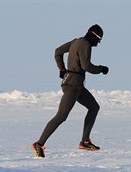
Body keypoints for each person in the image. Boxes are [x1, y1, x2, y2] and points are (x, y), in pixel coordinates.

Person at [31, 24, 109, 158]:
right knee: (61, 116)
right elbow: (87, 66)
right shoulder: (85, 45)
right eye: (99, 40)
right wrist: (101, 69)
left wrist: (61, 69)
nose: (98, 43)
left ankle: (85, 141)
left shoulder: (75, 42)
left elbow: (58, 51)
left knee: (94, 107)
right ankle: (39, 144)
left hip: (77, 85)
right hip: (72, 85)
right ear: (93, 36)